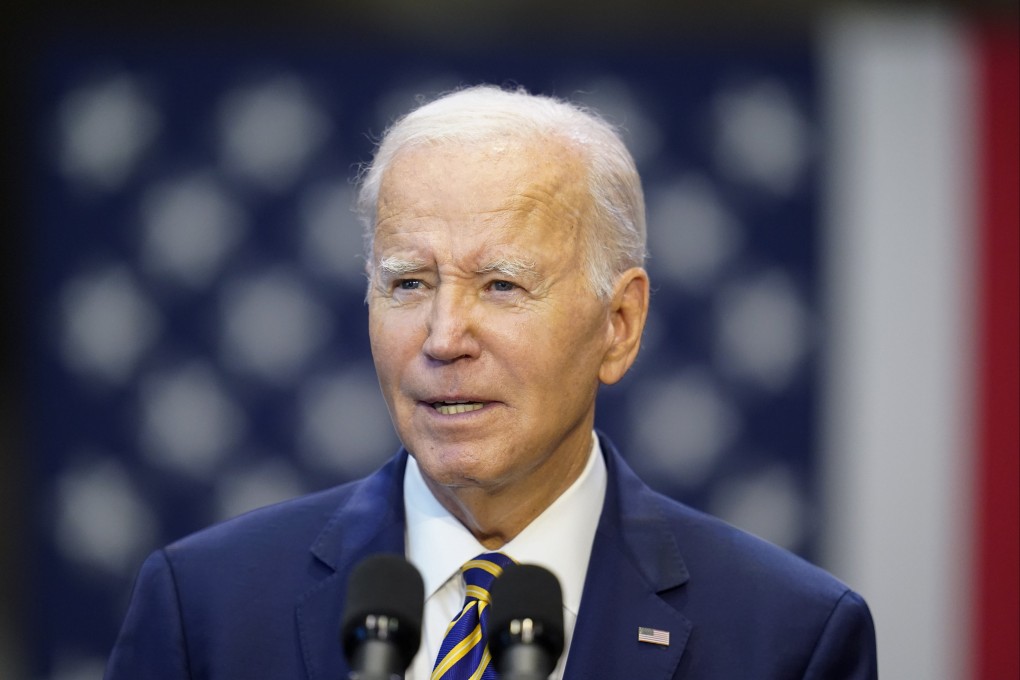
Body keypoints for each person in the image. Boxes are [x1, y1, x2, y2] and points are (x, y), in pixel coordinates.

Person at [105, 84, 878, 680]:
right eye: (408, 283)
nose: (443, 339)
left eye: (503, 285)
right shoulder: (203, 608)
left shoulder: (788, 636)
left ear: (620, 324)